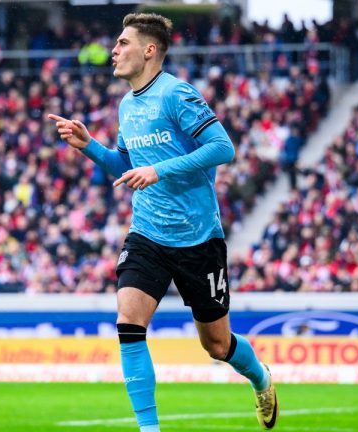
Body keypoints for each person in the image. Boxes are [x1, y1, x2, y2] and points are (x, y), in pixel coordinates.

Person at [48, 13, 279, 431]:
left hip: (197, 239)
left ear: (149, 50)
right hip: (148, 234)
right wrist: (89, 147)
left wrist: (161, 170)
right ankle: (149, 429)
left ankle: (260, 377)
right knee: (128, 322)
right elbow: (126, 166)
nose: (113, 52)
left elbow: (222, 147)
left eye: (122, 43)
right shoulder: (126, 104)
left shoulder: (177, 95)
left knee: (217, 344)